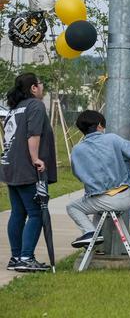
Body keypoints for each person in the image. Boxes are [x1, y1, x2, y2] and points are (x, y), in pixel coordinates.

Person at [66, 110, 130, 248]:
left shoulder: (77, 150)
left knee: (72, 207)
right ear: (100, 126)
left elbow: (78, 175)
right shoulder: (112, 139)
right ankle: (93, 237)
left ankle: (90, 233)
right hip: (124, 196)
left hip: (101, 198)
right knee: (97, 206)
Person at [1, 73, 56, 273]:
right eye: (40, 85)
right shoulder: (36, 105)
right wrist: (35, 158)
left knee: (18, 212)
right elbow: (34, 134)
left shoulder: (15, 108)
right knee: (36, 213)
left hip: (10, 166)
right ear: (33, 88)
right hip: (27, 167)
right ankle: (26, 257)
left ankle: (16, 257)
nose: (42, 88)